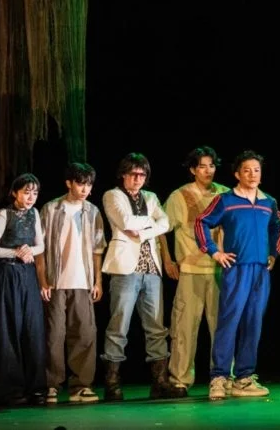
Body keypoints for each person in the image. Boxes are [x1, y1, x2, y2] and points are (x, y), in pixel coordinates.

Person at [195, 150, 280, 400]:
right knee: (229, 321)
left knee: (253, 322)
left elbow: (278, 228)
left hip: (260, 270)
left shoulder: (269, 202)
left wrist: (273, 254)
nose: (252, 175)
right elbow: (201, 222)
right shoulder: (226, 200)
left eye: (256, 170)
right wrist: (214, 252)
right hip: (236, 269)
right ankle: (219, 377)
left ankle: (244, 378)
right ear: (237, 174)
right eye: (247, 170)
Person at [100, 153, 177, 400]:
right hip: (125, 268)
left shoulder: (151, 197)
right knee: (119, 324)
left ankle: (160, 382)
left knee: (156, 327)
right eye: (133, 173)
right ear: (123, 174)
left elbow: (166, 223)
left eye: (142, 174)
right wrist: (152, 222)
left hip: (151, 268)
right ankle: (112, 383)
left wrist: (143, 231)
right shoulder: (112, 195)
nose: (138, 178)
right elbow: (124, 221)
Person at [159, 146, 229, 396]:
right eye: (202, 166)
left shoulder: (225, 193)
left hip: (220, 270)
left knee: (222, 327)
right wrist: (168, 260)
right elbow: (160, 229)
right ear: (192, 170)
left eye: (211, 165)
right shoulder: (180, 196)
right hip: (190, 269)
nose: (208, 170)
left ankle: (222, 377)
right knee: (184, 327)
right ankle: (180, 378)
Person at [37, 162, 106, 404]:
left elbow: (98, 249)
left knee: (85, 333)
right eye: (80, 184)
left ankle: (81, 386)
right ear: (69, 183)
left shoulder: (93, 212)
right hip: (56, 281)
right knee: (54, 335)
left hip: (83, 280)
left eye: (89, 184)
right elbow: (39, 248)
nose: (85, 189)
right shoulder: (50, 209)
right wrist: (43, 280)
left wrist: (98, 281)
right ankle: (52, 385)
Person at [0, 173, 47, 406]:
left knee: (33, 329)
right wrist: (16, 252)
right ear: (14, 193)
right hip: (7, 274)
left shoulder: (34, 213)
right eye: (26, 192)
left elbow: (41, 245)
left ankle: (36, 388)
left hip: (28, 275)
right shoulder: (3, 215)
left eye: (35, 193)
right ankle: (11, 391)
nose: (31, 197)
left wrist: (29, 251)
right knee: (9, 329)